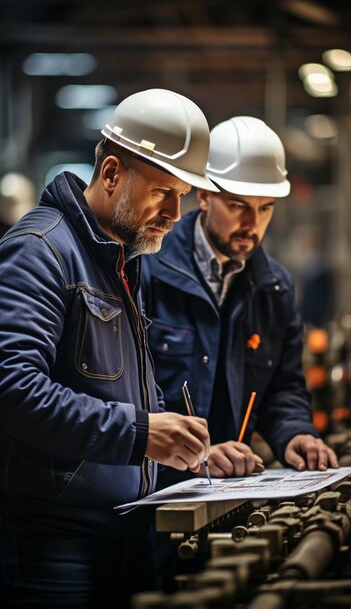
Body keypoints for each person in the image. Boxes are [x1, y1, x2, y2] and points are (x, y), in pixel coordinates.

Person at [0, 88, 218, 609]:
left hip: (124, 536)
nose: (174, 212)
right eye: (163, 191)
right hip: (53, 547)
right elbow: (12, 389)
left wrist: (184, 451)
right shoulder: (40, 251)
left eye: (183, 195)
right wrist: (141, 433)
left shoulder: (119, 258)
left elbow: (109, 391)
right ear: (113, 172)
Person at [142, 115, 339, 485]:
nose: (253, 223)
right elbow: (129, 396)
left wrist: (296, 433)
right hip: (148, 494)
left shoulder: (275, 287)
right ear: (203, 195)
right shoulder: (148, 268)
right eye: (238, 206)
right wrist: (197, 455)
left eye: (265, 208)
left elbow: (283, 387)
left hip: (229, 489)